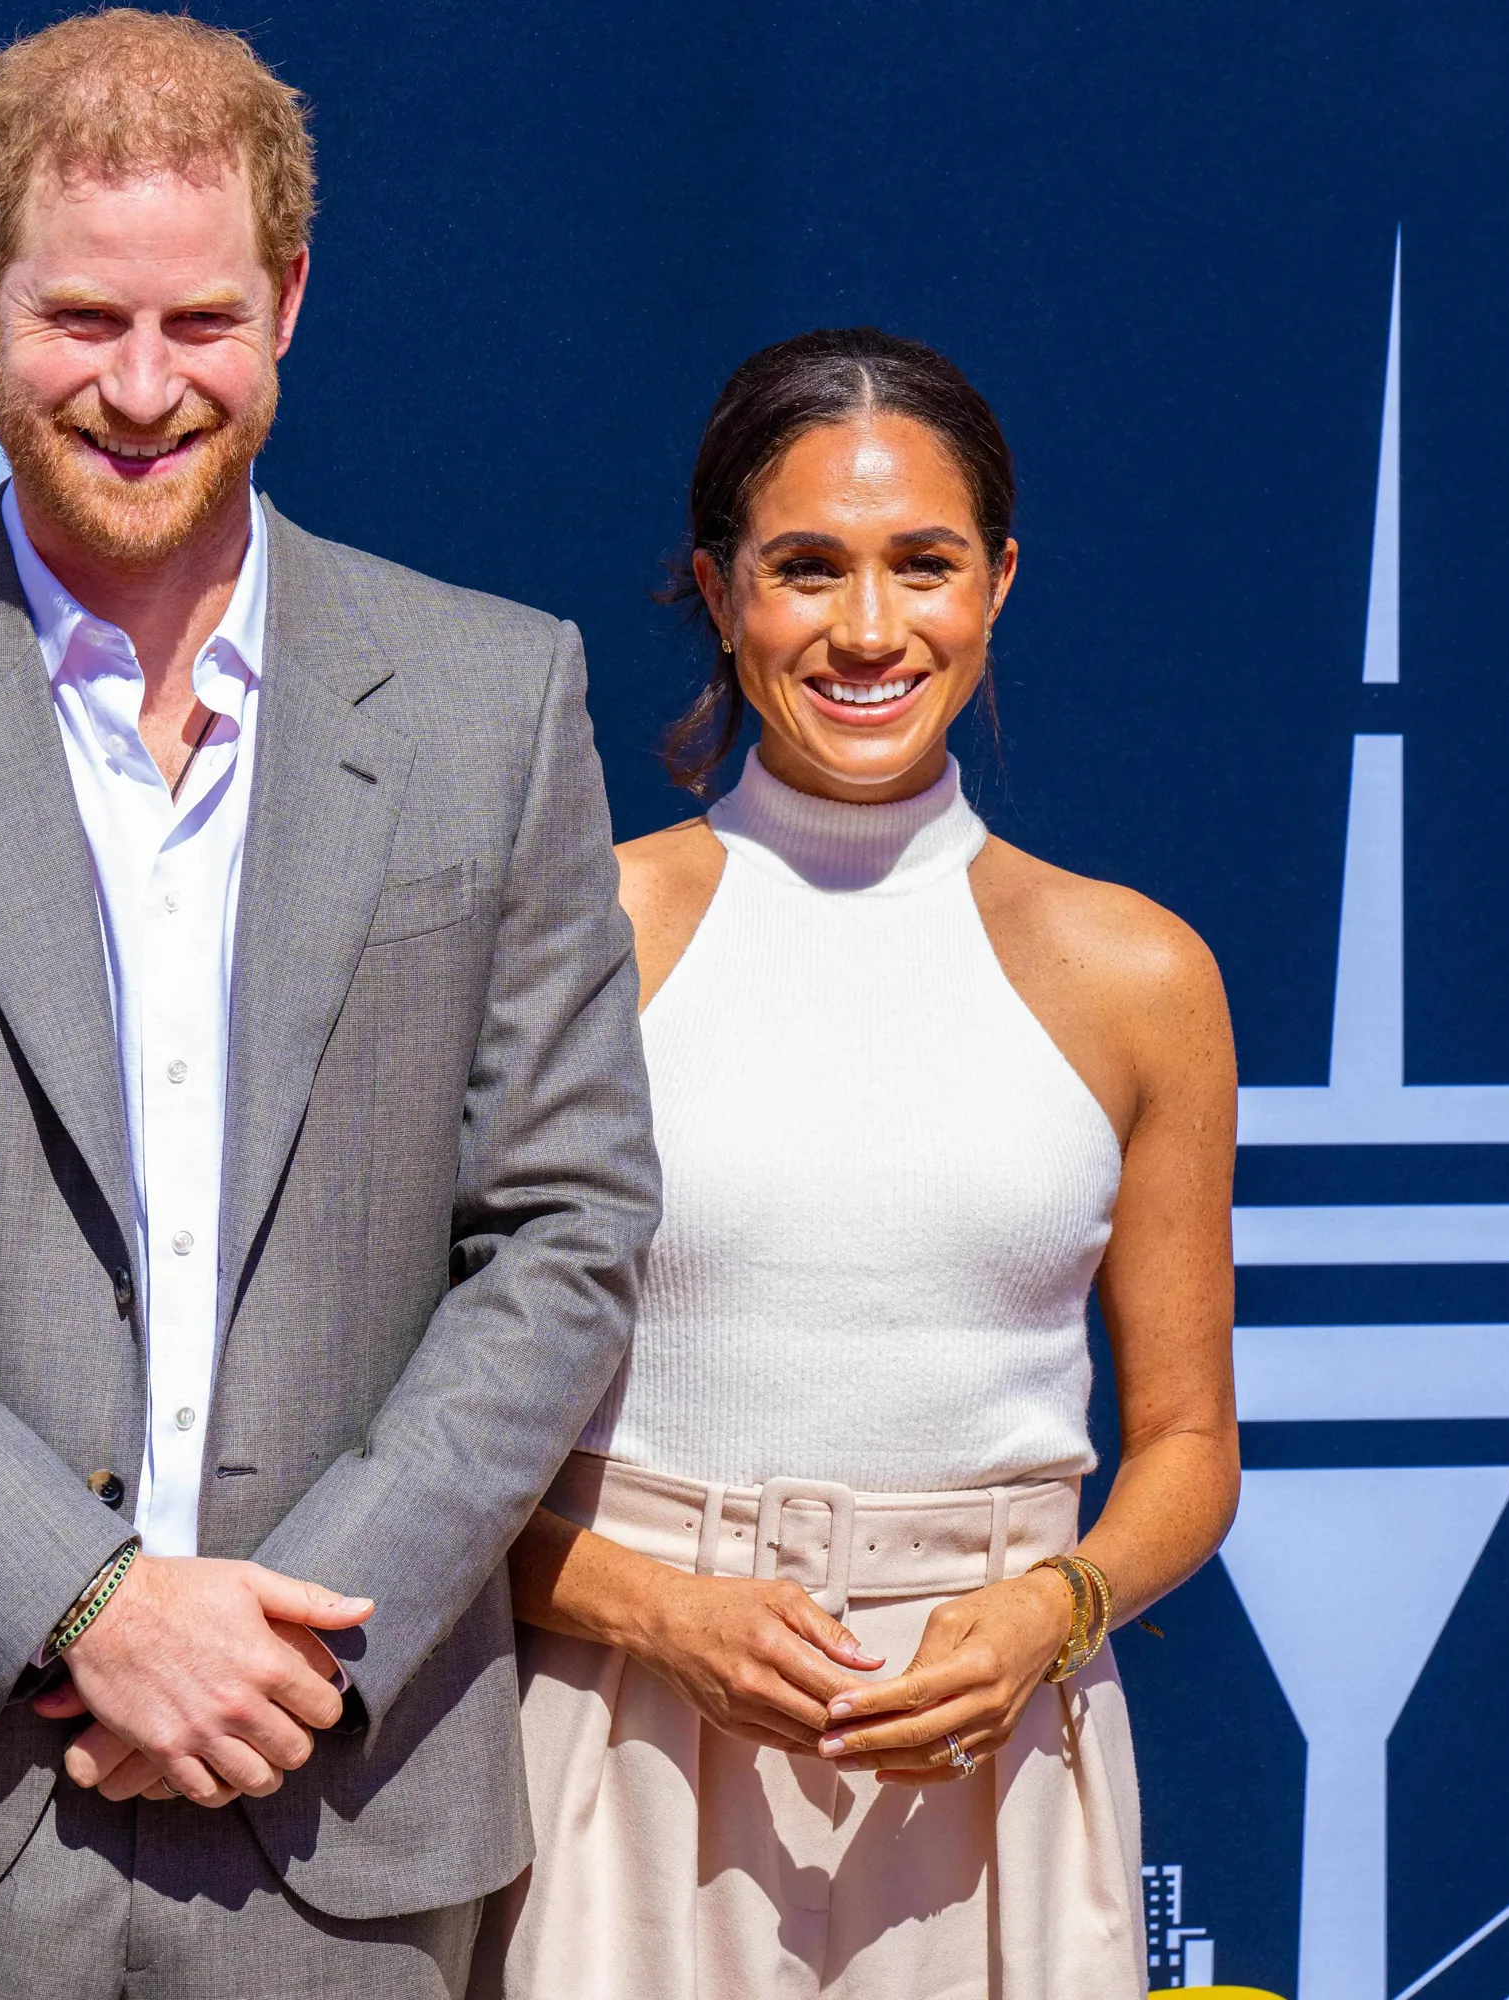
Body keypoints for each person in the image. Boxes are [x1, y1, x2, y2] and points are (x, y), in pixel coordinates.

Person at [0, 13, 657, 1997]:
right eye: (80, 319)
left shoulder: (493, 699)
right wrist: (82, 1599)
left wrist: (296, 1643)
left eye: (199, 322)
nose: (138, 386)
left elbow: (568, 1222)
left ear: (290, 304)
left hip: (337, 1805)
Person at [476, 328, 1239, 1999]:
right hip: (629, 1744)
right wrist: (653, 1611)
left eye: (925, 565)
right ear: (718, 589)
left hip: (998, 1763)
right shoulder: (584, 936)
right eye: (809, 568)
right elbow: (419, 1453)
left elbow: (1189, 1445)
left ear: (1000, 583)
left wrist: (1054, 1609)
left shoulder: (1141, 975)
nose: (871, 629)